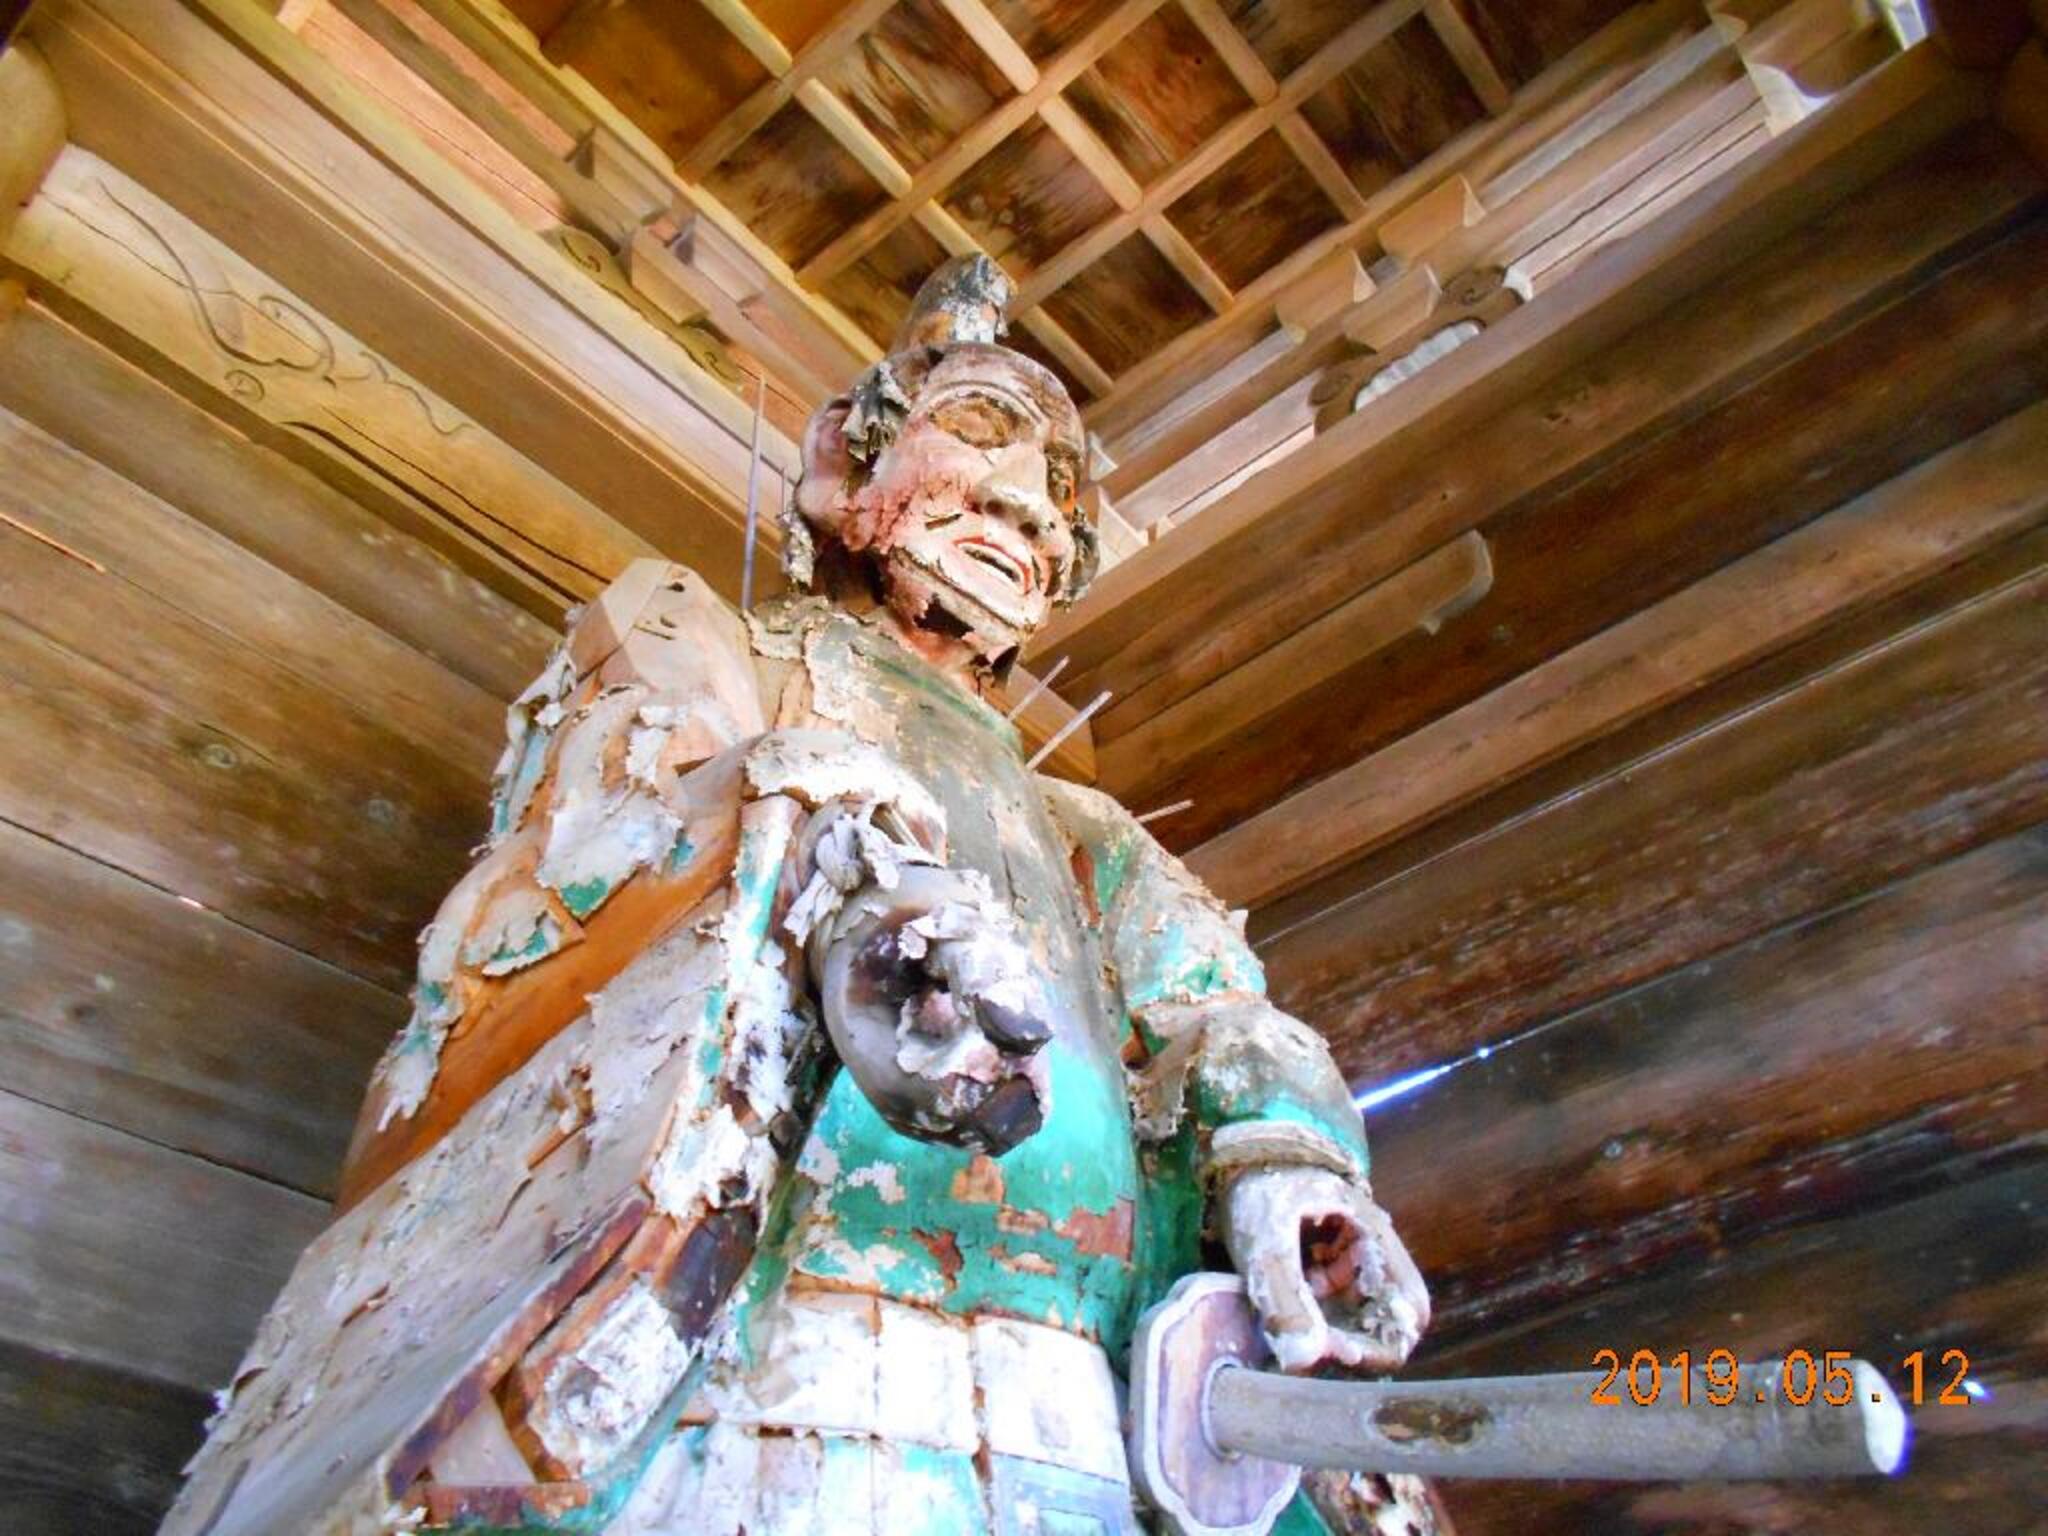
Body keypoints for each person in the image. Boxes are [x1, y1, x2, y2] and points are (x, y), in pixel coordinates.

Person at [166, 255, 1427, 1536]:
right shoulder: (721, 658)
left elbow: (1210, 1006)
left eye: (1057, 503)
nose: (1025, 512)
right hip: (765, 1346)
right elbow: (607, 836)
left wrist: (1286, 1162)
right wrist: (834, 882)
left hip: (1077, 1400)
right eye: (982, 436)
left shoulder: (1081, 831)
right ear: (844, 468)